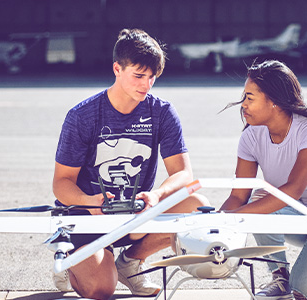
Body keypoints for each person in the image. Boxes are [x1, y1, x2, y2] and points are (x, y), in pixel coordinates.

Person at [52, 28, 208, 300]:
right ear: (117, 69)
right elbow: (61, 184)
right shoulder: (82, 115)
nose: (146, 85)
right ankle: (69, 262)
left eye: (152, 78)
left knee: (196, 204)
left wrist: (157, 195)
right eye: (138, 76)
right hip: (88, 217)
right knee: (101, 289)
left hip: (135, 216)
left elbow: (184, 174)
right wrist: (90, 201)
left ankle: (131, 263)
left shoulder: (162, 112)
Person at [219, 60, 307, 300]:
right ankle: (279, 277)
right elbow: (238, 196)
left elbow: (294, 189)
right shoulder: (251, 136)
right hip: (298, 213)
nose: (243, 105)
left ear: (274, 101)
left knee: (304, 292)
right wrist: (216, 225)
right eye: (244, 96)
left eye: (250, 98)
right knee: (258, 200)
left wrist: (237, 217)